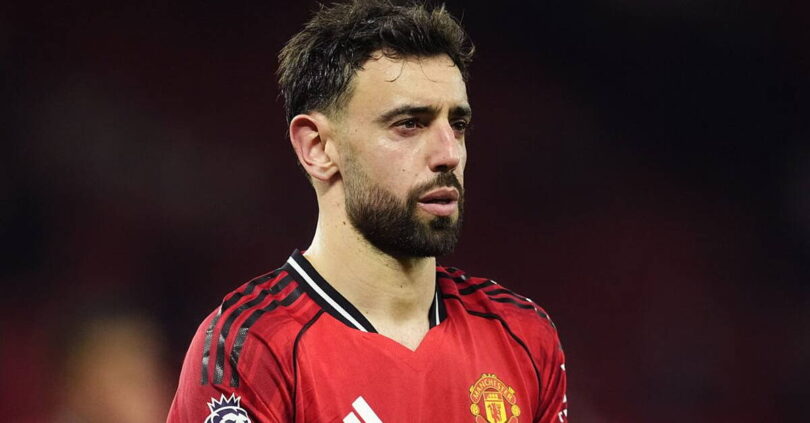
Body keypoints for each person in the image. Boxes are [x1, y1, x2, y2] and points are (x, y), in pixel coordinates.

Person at [167, 1, 567, 422]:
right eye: (409, 123)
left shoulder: (524, 335)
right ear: (318, 148)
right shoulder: (251, 349)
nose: (449, 153)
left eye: (458, 125)